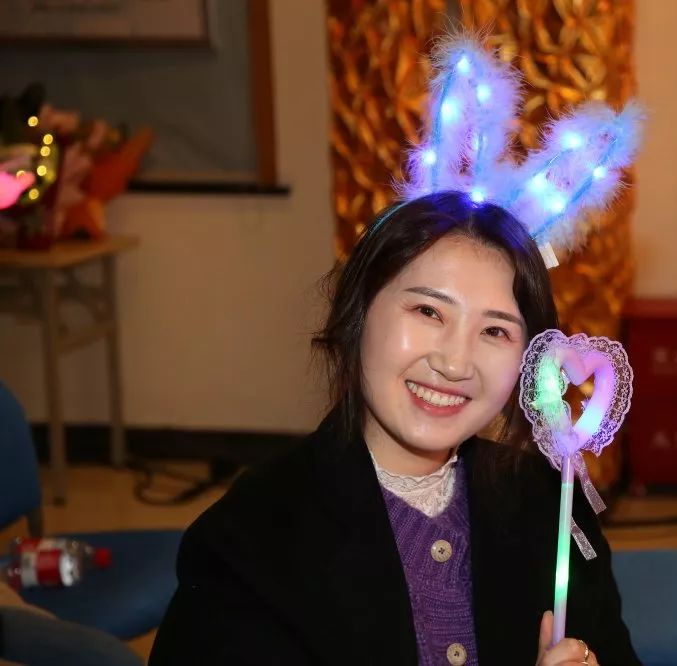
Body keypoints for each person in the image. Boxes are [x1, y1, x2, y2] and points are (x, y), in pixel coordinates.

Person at [148, 191, 640, 665]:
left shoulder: (552, 506)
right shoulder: (250, 538)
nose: (454, 363)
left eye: (495, 331)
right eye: (428, 311)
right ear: (359, 311)